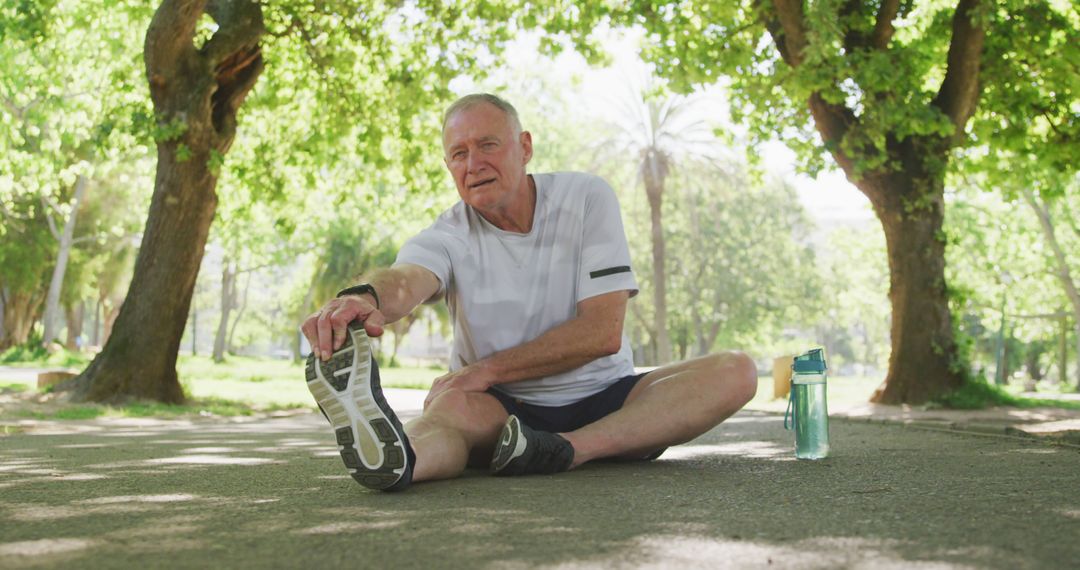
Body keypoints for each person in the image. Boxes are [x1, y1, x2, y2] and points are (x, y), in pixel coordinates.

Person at [299, 93, 757, 492]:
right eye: (458, 154)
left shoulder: (586, 198)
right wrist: (364, 298)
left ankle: (567, 449)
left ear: (525, 147)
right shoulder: (447, 234)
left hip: (608, 398)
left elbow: (602, 333)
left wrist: (483, 370)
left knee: (736, 371)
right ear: (448, 167)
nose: (473, 163)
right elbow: (404, 279)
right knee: (447, 412)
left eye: (487, 145)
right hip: (501, 413)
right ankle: (400, 461)